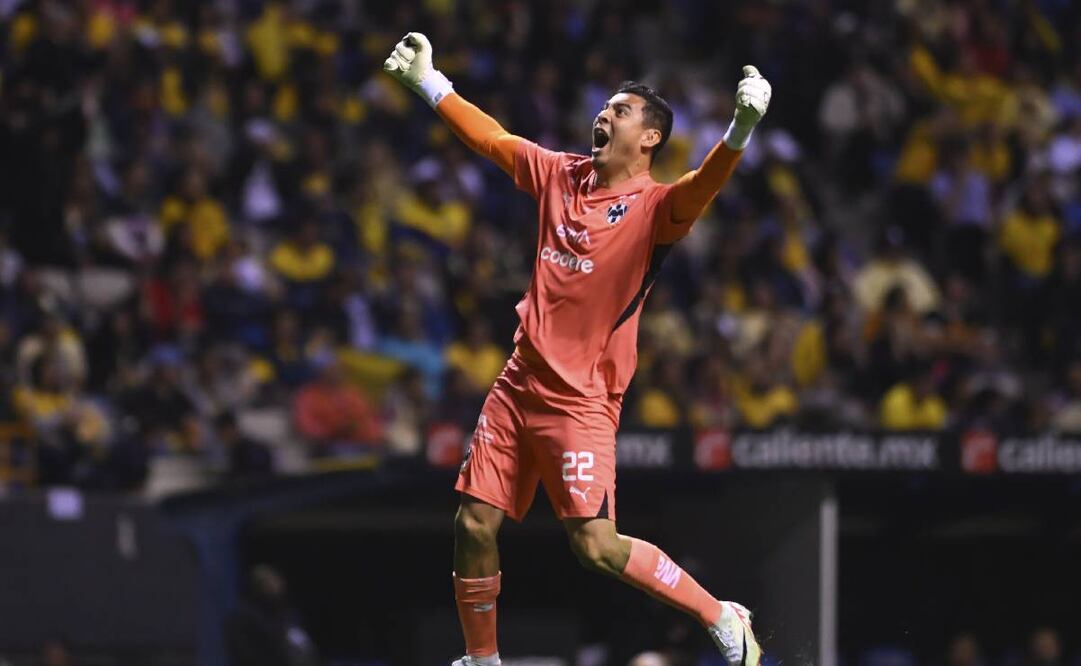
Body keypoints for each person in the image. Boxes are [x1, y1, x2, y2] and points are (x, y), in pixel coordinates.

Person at [383, 33, 771, 666]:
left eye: (620, 111)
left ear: (649, 138)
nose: (604, 114)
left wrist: (739, 131)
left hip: (581, 400)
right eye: (605, 106)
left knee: (595, 547)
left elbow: (703, 187)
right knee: (472, 524)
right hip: (518, 381)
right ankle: (483, 661)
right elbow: (493, 139)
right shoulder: (561, 174)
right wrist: (430, 81)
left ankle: (720, 614)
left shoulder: (654, 210)